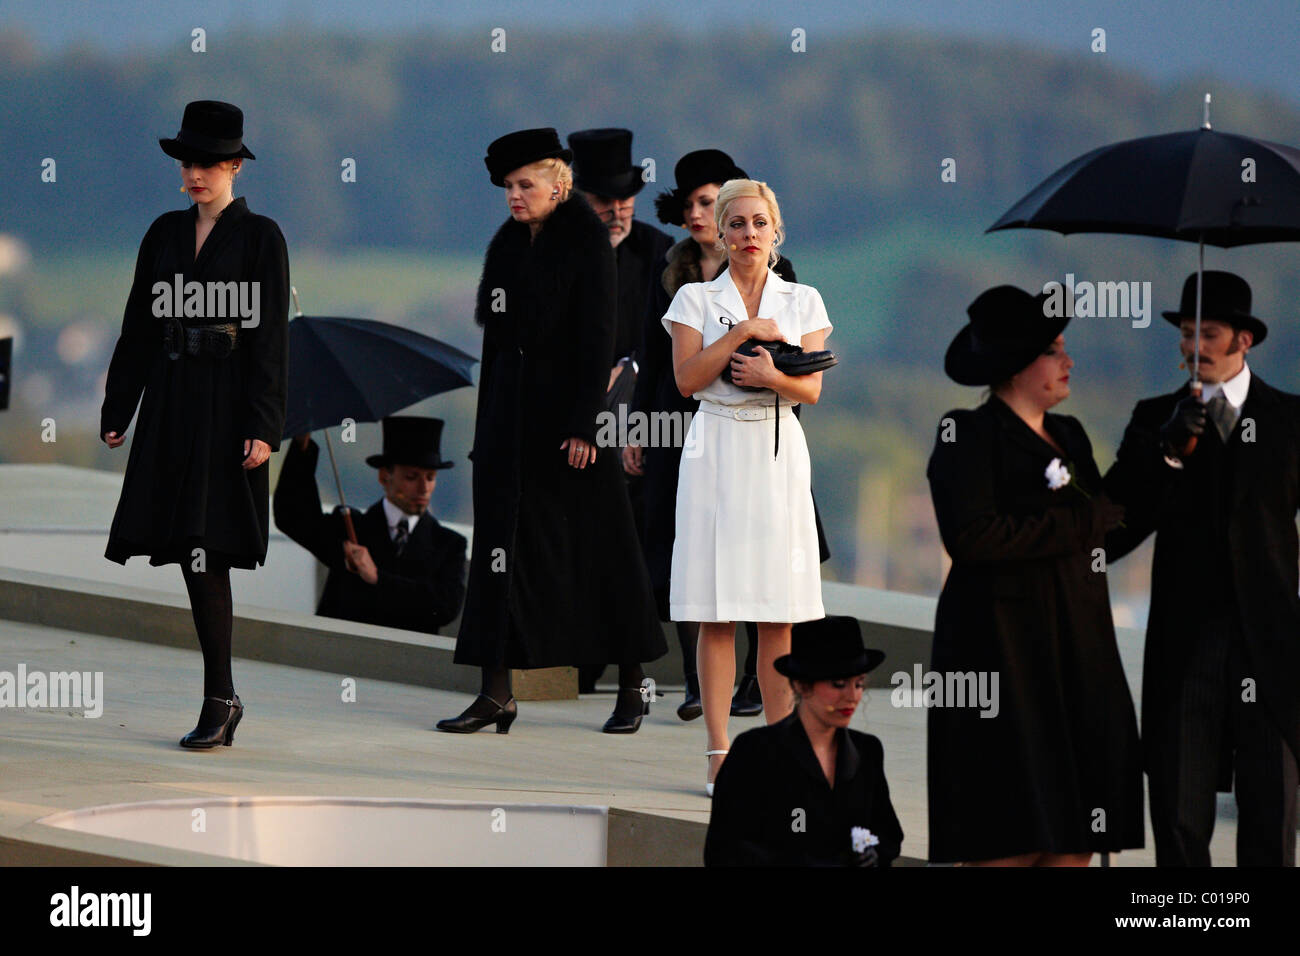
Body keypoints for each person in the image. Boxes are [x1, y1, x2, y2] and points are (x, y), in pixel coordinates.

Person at [438, 128, 665, 735]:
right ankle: (495, 693)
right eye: (509, 187)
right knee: (497, 556)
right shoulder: (510, 244)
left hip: (571, 430)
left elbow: (597, 338)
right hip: (509, 428)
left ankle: (631, 689)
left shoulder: (586, 242)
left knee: (604, 552)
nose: (514, 196)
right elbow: (499, 348)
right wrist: (488, 435)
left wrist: (587, 425)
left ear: (559, 184)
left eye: (525, 185)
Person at [926, 285, 1144, 865]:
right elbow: (973, 539)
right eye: (1054, 350)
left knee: (1072, 842)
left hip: (1076, 648)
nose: (1068, 361)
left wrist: (1163, 456)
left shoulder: (1068, 434)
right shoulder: (966, 435)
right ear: (1017, 364)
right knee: (1007, 838)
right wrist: (1079, 525)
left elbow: (1105, 531)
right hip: (1002, 655)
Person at [100, 100, 289, 749]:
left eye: (207, 162)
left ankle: (220, 697)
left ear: (235, 164)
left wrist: (265, 425)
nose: (194, 174)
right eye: (187, 162)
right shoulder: (162, 234)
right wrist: (118, 408)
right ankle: (223, 695)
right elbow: (138, 327)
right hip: (173, 403)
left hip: (229, 409)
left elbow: (269, 341)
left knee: (207, 551)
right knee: (187, 549)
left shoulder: (263, 238)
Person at [1103, 271, 1300, 866]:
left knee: (1271, 822)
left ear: (1244, 340)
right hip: (1185, 649)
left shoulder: (1292, 421)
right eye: (1186, 334)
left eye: (1209, 333)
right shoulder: (1153, 418)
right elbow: (1113, 531)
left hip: (1272, 652)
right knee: (1180, 822)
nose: (1194, 347)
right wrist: (1165, 455)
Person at [629, 150, 827, 722]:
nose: (748, 233)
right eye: (736, 223)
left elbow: (811, 389)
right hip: (713, 449)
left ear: (776, 231)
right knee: (716, 612)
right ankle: (719, 754)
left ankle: (779, 745)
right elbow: (687, 381)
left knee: (777, 613)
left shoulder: (803, 299)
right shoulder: (694, 297)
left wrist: (770, 375)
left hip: (776, 451)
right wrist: (740, 330)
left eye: (759, 223)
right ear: (722, 231)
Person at [567, 127, 673, 693]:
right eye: (605, 203)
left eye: (625, 202)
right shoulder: (561, 253)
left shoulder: (657, 251)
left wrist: (629, 369)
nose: (617, 212)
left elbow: (671, 338)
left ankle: (631, 672)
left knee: (632, 543)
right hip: (576, 424)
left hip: (641, 424)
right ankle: (583, 659)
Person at [704, 615, 902, 866]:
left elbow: (889, 835)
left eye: (859, 684)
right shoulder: (754, 751)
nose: (852, 696)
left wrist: (873, 852)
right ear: (801, 685)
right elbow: (725, 848)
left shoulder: (867, 750)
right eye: (839, 684)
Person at [273, 416, 467, 635]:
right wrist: (302, 446)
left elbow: (445, 607)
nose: (424, 488)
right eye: (412, 477)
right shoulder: (350, 528)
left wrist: (378, 578)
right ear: (385, 476)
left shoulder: (449, 544)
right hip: (340, 655)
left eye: (430, 478)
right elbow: (293, 517)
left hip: (408, 662)